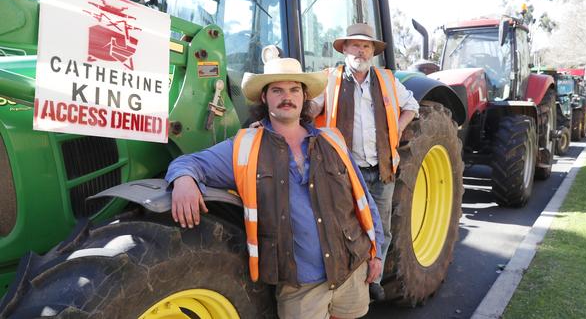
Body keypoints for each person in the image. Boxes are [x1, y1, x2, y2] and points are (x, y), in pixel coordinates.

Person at [165, 50, 384, 319]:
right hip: (300, 286)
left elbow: (364, 201)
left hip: (351, 269)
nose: (287, 97)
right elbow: (188, 163)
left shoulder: (332, 141)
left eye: (294, 89)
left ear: (304, 97)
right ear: (264, 98)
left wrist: (376, 253)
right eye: (277, 90)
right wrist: (184, 180)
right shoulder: (245, 147)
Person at [312, 23, 419, 301]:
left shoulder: (387, 80)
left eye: (366, 46)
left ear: (373, 51)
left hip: (382, 170)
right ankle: (347, 280)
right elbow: (312, 107)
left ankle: (373, 280)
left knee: (380, 227)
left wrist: (395, 131)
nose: (361, 50)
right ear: (344, 49)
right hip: (346, 172)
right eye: (356, 45)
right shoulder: (329, 81)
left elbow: (412, 106)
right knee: (345, 226)